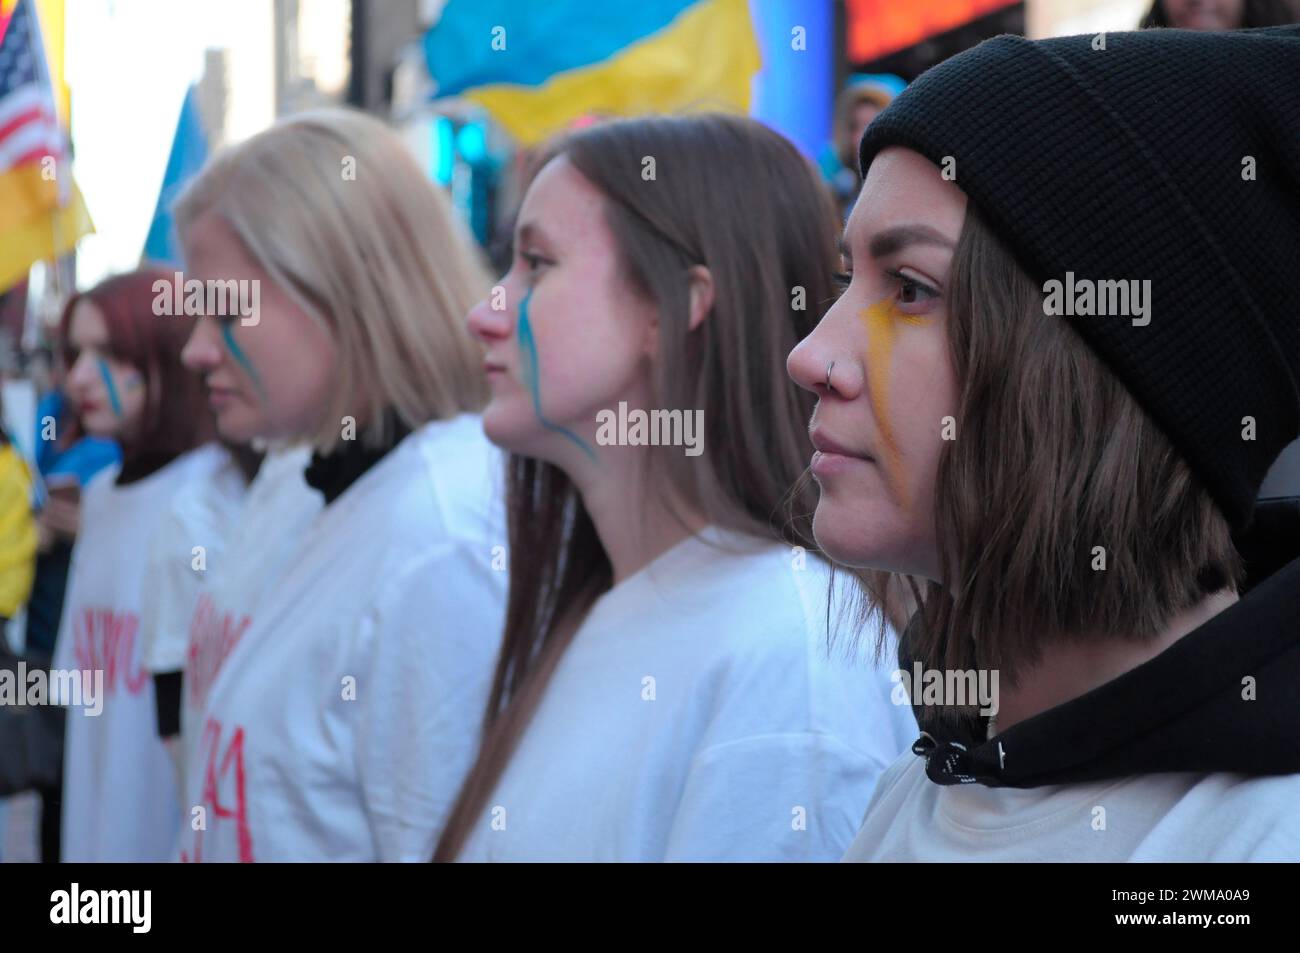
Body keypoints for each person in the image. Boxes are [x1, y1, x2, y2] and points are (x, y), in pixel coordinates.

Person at [785, 26, 1300, 861]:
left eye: (910, 288)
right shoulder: (913, 793)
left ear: (1108, 378)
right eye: (850, 282)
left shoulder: (1252, 845)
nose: (810, 356)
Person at [437, 114, 913, 862]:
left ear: (675, 304)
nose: (484, 313)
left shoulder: (789, 655)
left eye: (537, 263)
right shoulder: (605, 604)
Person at [173, 107, 506, 861]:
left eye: (225, 309)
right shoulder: (329, 479)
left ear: (346, 287)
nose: (196, 349)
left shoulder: (443, 535)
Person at [52, 268, 221, 861]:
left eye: (109, 353)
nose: (78, 377)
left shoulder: (214, 497)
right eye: (76, 352)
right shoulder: (98, 498)